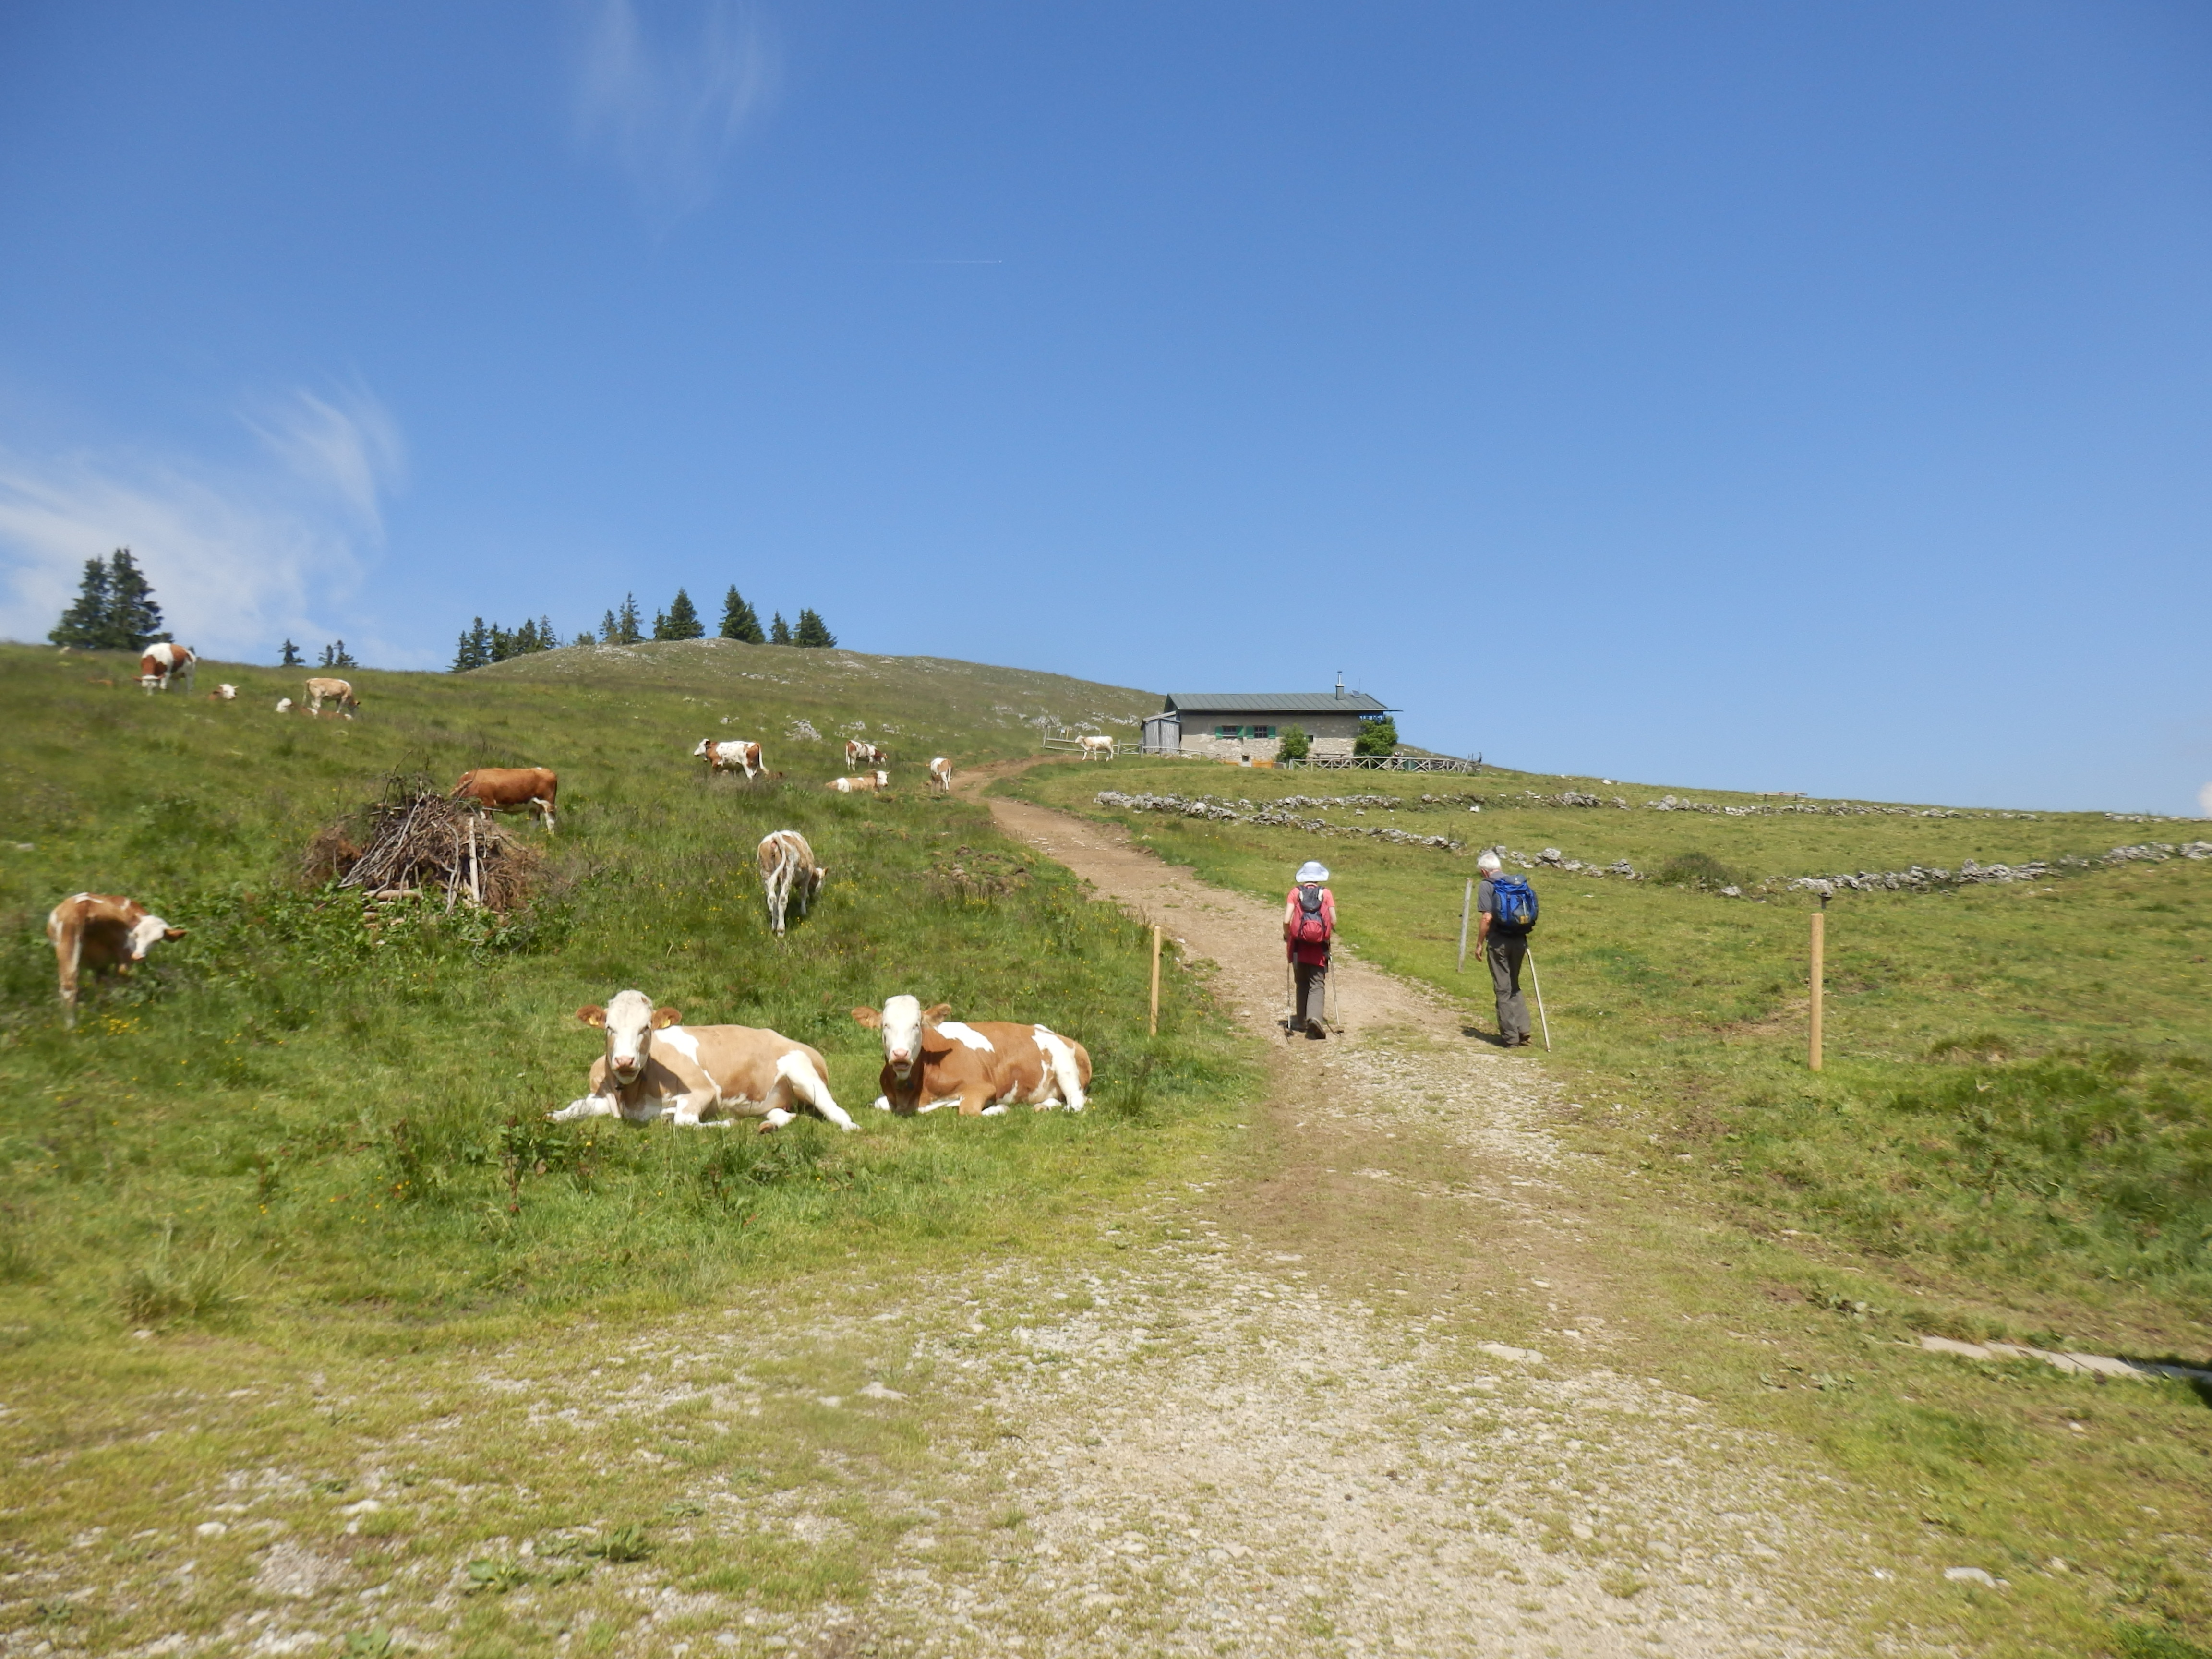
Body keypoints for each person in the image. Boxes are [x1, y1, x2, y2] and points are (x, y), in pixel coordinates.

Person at [1474, 850, 1536, 1047]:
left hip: (1499, 943)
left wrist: (1479, 944)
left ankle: (1510, 1038)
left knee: (1502, 989)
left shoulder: (1486, 886)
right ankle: (1524, 1031)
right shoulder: (1515, 883)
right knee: (1514, 985)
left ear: (1484, 872)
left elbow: (1487, 917)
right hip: (1519, 941)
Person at [1282, 859, 1335, 1039]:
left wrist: (1286, 935)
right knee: (1317, 983)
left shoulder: (1295, 893)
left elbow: (1287, 920)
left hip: (1298, 945)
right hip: (1319, 947)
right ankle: (1315, 1018)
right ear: (1319, 877)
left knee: (1301, 981)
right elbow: (1334, 920)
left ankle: (1302, 1020)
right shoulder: (1326, 894)